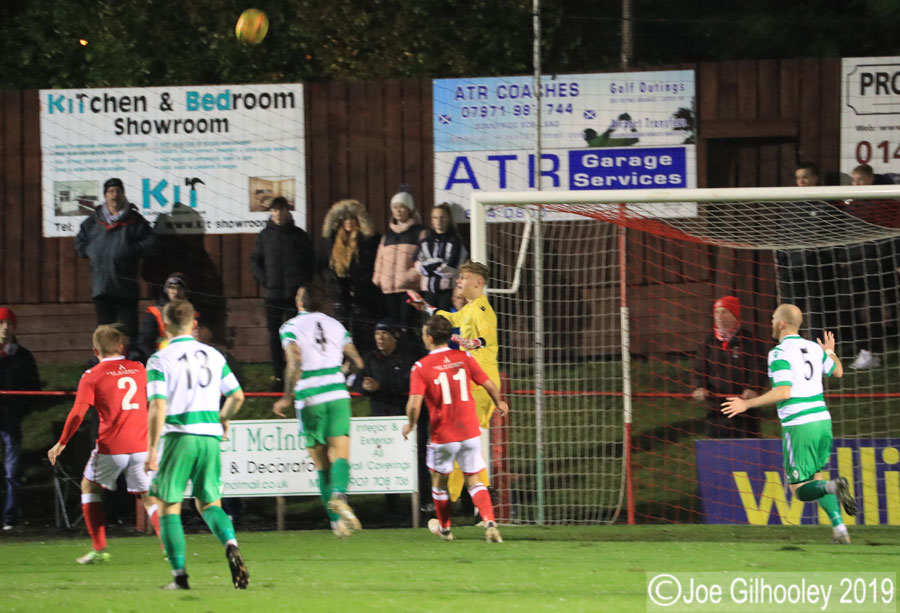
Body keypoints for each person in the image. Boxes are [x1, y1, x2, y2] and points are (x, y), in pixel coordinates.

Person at [722, 304, 857, 544]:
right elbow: (837, 371)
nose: (771, 321)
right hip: (822, 421)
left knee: (798, 488)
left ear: (781, 323)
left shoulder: (779, 353)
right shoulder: (815, 348)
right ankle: (840, 530)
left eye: (773, 318)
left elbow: (783, 392)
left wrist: (746, 404)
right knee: (816, 477)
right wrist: (830, 352)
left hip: (799, 424)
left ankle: (836, 486)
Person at [144, 300, 248, 590]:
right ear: (193, 325)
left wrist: (152, 450)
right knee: (209, 503)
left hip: (179, 436)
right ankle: (230, 543)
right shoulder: (213, 355)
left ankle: (180, 577)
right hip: (210, 438)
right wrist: (222, 419)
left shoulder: (159, 360)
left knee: (168, 506)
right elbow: (237, 396)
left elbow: (157, 407)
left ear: (164, 326)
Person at [47, 325, 161, 562]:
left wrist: (62, 442)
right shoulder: (140, 368)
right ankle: (171, 549)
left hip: (113, 447)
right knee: (149, 497)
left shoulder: (93, 375)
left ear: (95, 350)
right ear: (121, 347)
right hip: (142, 445)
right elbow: (156, 401)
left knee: (89, 487)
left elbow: (78, 412)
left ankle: (99, 550)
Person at [402, 315, 509, 542]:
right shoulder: (464, 357)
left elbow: (414, 404)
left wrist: (410, 424)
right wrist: (499, 402)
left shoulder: (421, 367)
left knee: (439, 482)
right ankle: (490, 522)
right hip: (469, 430)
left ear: (429, 338)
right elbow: (488, 383)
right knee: (475, 479)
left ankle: (445, 528)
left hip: (444, 435)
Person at [272, 284, 365, 538]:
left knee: (321, 463)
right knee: (341, 455)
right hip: (337, 394)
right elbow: (358, 362)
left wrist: (286, 397)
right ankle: (340, 495)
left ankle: (336, 523)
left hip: (310, 397)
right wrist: (344, 375)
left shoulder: (289, 327)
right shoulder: (336, 325)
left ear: (298, 302)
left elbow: (295, 361)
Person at [408, 261, 499, 503]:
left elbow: (487, 335)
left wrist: (474, 342)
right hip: (474, 381)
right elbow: (452, 317)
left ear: (477, 283)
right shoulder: (470, 308)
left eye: (464, 278)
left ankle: (452, 499)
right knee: (465, 442)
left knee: (459, 439)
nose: (458, 282)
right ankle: (480, 500)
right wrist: (427, 308)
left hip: (480, 384)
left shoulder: (481, 309)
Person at [75, 178, 155, 345]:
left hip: (126, 287)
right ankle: (106, 366)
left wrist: (131, 250)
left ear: (123, 195)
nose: (115, 195)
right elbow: (80, 242)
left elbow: (151, 242)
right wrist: (89, 251)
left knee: (128, 332)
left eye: (118, 191)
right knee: (105, 333)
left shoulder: (134, 220)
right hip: (101, 287)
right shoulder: (94, 221)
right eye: (111, 192)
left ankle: (131, 364)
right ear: (105, 196)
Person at [250, 196, 316, 387]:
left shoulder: (299, 235)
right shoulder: (264, 236)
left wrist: (304, 285)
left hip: (295, 297)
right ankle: (279, 375)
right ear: (271, 212)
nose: (278, 213)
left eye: (282, 209)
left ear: (288, 211)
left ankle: (298, 372)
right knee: (275, 335)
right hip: (272, 295)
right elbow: (255, 261)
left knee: (297, 335)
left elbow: (310, 261)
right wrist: (265, 280)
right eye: (275, 210)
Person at [690, 296, 765, 438]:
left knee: (747, 451)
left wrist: (753, 388)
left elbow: (758, 367)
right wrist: (699, 386)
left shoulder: (749, 340)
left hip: (744, 407)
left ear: (735, 315)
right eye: (717, 312)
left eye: (724, 312)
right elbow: (699, 367)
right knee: (718, 451)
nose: (719, 316)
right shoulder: (708, 341)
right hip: (717, 407)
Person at [776, 162, 833, 340]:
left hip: (816, 265)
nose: (801, 181)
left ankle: (818, 346)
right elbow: (783, 234)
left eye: (805, 177)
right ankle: (792, 343)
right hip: (793, 268)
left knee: (818, 308)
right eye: (798, 178)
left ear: (815, 179)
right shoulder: (792, 206)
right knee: (794, 308)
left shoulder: (826, 204)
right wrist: (783, 259)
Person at [322, 199, 383, 356]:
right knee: (341, 334)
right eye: (345, 219)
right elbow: (322, 264)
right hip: (340, 294)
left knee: (363, 333)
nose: (349, 222)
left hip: (363, 294)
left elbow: (374, 263)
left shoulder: (367, 239)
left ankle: (363, 368)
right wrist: (331, 279)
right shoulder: (333, 240)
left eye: (352, 218)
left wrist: (364, 281)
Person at [0, 308, 40, 530]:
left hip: (11, 421)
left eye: (9, 323)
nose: (5, 328)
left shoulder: (23, 356)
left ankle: (9, 517)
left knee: (11, 472)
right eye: (1, 323)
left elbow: (33, 387)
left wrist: (20, 409)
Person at [373, 188, 427, 330]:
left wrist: (411, 276)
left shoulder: (419, 232)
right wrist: (378, 278)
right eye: (395, 207)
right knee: (392, 326)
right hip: (388, 288)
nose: (398, 211)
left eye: (402, 207)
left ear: (409, 209)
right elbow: (380, 258)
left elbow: (424, 258)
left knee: (407, 325)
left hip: (408, 288)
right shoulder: (388, 234)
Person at [352, 319, 421, 417]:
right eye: (377, 333)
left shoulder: (407, 359)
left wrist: (379, 386)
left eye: (384, 333)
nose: (380, 337)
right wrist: (365, 386)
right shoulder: (369, 358)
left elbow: (406, 385)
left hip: (402, 415)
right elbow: (356, 384)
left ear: (394, 337)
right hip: (378, 416)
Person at [415, 203, 468, 312]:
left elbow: (453, 268)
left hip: (447, 291)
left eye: (442, 217)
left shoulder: (455, 241)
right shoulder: (426, 241)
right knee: (429, 323)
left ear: (448, 218)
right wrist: (437, 264)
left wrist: (430, 266)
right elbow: (418, 264)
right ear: (431, 220)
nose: (439, 221)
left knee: (443, 323)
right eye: (435, 217)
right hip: (429, 291)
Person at [136, 273, 197, 363]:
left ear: (186, 291)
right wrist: (156, 360)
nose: (175, 292)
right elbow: (144, 344)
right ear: (166, 290)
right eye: (172, 287)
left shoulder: (193, 313)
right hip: (163, 361)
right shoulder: (155, 314)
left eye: (179, 288)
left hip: (190, 360)